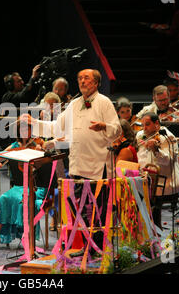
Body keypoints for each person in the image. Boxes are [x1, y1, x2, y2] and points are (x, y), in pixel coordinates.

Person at [21, 68, 121, 250]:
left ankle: (98, 248)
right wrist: (34, 123)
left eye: (86, 78)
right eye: (80, 78)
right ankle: (89, 245)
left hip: (98, 164)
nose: (82, 81)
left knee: (97, 209)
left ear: (96, 83)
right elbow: (57, 127)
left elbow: (117, 130)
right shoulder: (74, 104)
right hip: (78, 164)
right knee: (79, 207)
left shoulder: (104, 102)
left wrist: (104, 126)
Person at [0, 122, 53, 250]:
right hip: (18, 186)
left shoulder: (36, 145)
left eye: (27, 129)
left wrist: (41, 152)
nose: (24, 132)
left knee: (25, 200)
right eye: (22, 129)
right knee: (5, 198)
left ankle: (27, 238)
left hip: (35, 186)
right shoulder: (14, 146)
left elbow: (47, 162)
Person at [136, 112, 179, 227]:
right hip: (146, 178)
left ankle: (155, 230)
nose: (144, 128)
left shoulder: (168, 136)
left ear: (157, 123)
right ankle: (143, 230)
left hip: (165, 181)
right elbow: (140, 158)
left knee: (150, 199)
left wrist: (156, 150)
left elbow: (168, 161)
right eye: (142, 125)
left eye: (147, 124)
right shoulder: (140, 135)